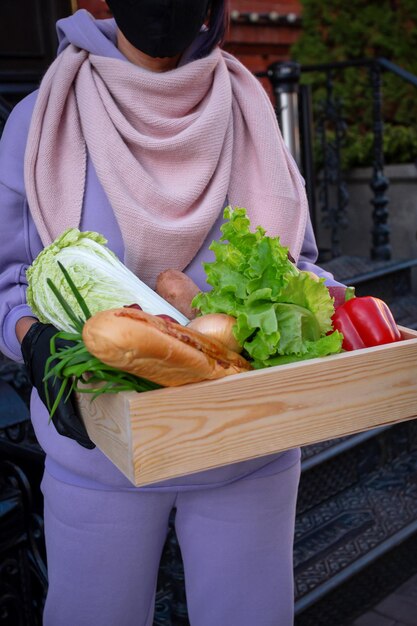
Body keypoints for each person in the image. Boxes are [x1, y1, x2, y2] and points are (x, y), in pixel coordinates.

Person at [0, 2, 342, 625]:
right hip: (98, 448)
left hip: (247, 443)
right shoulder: (43, 119)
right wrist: (32, 339)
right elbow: (8, 282)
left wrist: (345, 316)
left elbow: (298, 262)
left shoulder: (250, 110)